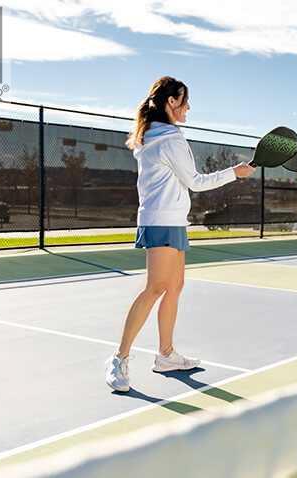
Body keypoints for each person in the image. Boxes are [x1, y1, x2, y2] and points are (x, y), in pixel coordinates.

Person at [105, 76, 255, 392]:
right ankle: (119, 358)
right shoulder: (170, 139)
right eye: (185, 102)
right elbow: (196, 182)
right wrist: (235, 173)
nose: (188, 108)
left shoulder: (152, 135)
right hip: (162, 220)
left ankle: (166, 354)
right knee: (156, 288)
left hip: (172, 220)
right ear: (171, 102)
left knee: (174, 287)